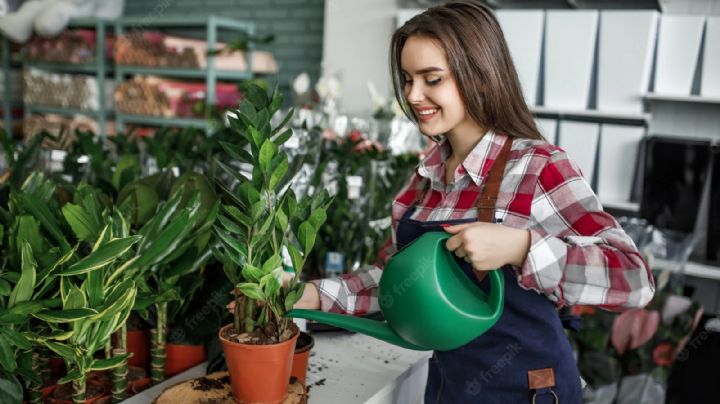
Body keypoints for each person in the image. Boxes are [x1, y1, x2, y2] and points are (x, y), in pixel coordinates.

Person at [252, 1, 655, 403]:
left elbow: (634, 280)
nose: (413, 95)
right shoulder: (423, 179)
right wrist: (311, 297)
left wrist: (521, 249)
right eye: (408, 79)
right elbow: (397, 281)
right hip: (449, 387)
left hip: (530, 391)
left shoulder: (537, 167)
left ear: (479, 77)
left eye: (432, 79)